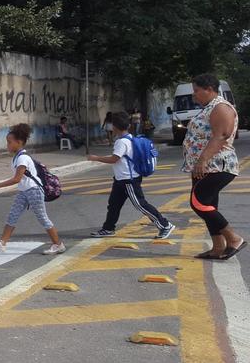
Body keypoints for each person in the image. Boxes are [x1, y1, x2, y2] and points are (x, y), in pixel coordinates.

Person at [183, 73, 245, 260]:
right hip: (206, 166)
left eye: (196, 91)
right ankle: (218, 246)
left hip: (218, 165)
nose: (194, 95)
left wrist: (202, 161)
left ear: (209, 89)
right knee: (209, 204)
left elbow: (221, 136)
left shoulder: (220, 107)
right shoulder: (209, 107)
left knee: (198, 203)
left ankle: (233, 238)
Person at [87, 112, 174, 239]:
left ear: (115, 127)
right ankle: (108, 228)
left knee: (140, 204)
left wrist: (95, 158)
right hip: (121, 179)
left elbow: (114, 159)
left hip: (128, 180)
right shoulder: (130, 138)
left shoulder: (121, 142)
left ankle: (165, 225)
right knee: (114, 204)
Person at [0, 123, 66, 256]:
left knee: (42, 218)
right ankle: (2, 242)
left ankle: (58, 244)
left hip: (33, 191)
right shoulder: (17, 157)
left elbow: (17, 179)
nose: (7, 145)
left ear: (19, 142)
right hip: (24, 191)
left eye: (10, 142)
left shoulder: (23, 158)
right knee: (13, 215)